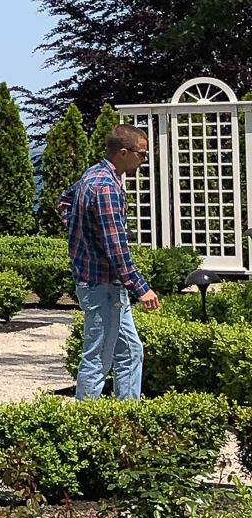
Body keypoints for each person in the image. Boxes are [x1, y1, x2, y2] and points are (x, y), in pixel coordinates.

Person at [63, 122, 159, 399]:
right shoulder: (106, 188)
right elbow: (116, 247)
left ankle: (126, 420)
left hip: (100, 282)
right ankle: (86, 426)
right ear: (123, 152)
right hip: (102, 285)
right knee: (97, 360)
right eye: (142, 154)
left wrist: (81, 234)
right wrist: (141, 288)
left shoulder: (92, 175)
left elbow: (64, 201)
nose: (144, 159)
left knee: (131, 352)